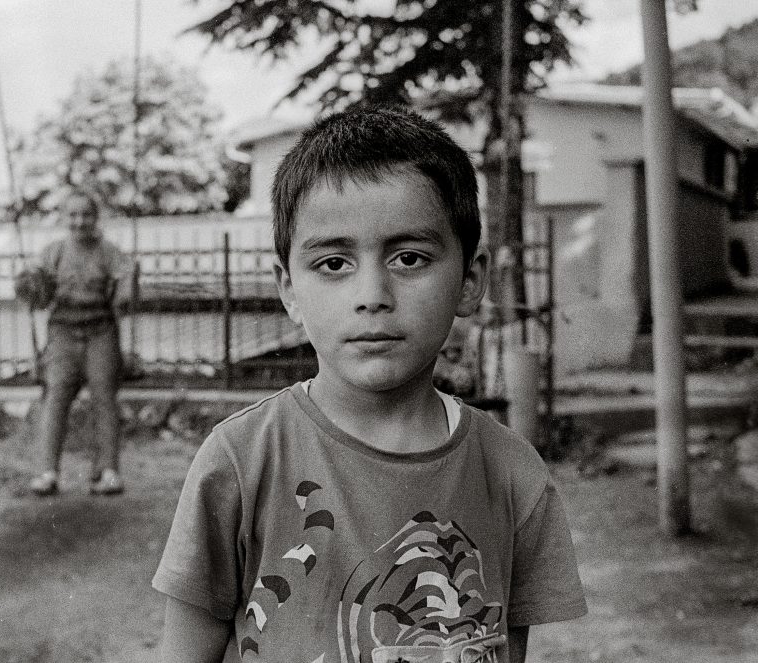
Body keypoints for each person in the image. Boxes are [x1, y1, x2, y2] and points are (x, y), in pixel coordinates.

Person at [152, 106, 587, 663]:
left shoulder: (512, 475)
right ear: (288, 289)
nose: (372, 295)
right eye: (334, 263)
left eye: (409, 258)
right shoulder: (239, 462)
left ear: (470, 280)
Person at [25, 194, 132, 497]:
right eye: (72, 215)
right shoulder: (53, 253)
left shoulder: (109, 252)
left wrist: (127, 286)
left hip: (101, 331)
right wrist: (32, 284)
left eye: (86, 215)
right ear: (64, 218)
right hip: (62, 332)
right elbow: (37, 295)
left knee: (104, 398)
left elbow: (125, 289)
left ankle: (109, 472)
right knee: (55, 397)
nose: (79, 222)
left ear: (95, 218)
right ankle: (47, 472)